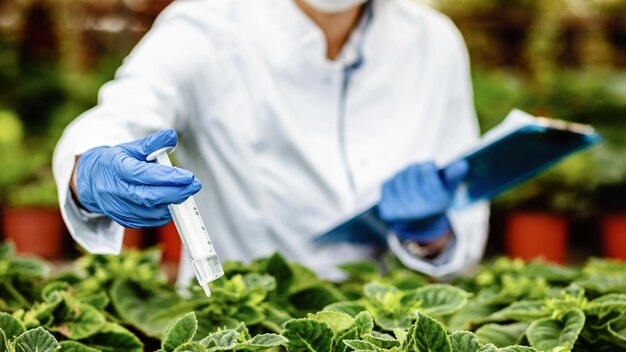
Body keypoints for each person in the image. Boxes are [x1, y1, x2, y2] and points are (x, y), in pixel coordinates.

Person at [53, 0, 489, 286]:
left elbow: (465, 215)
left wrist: (433, 237)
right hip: (242, 318)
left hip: (383, 323)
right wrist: (89, 173)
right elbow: (124, 112)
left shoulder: (433, 42)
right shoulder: (206, 27)